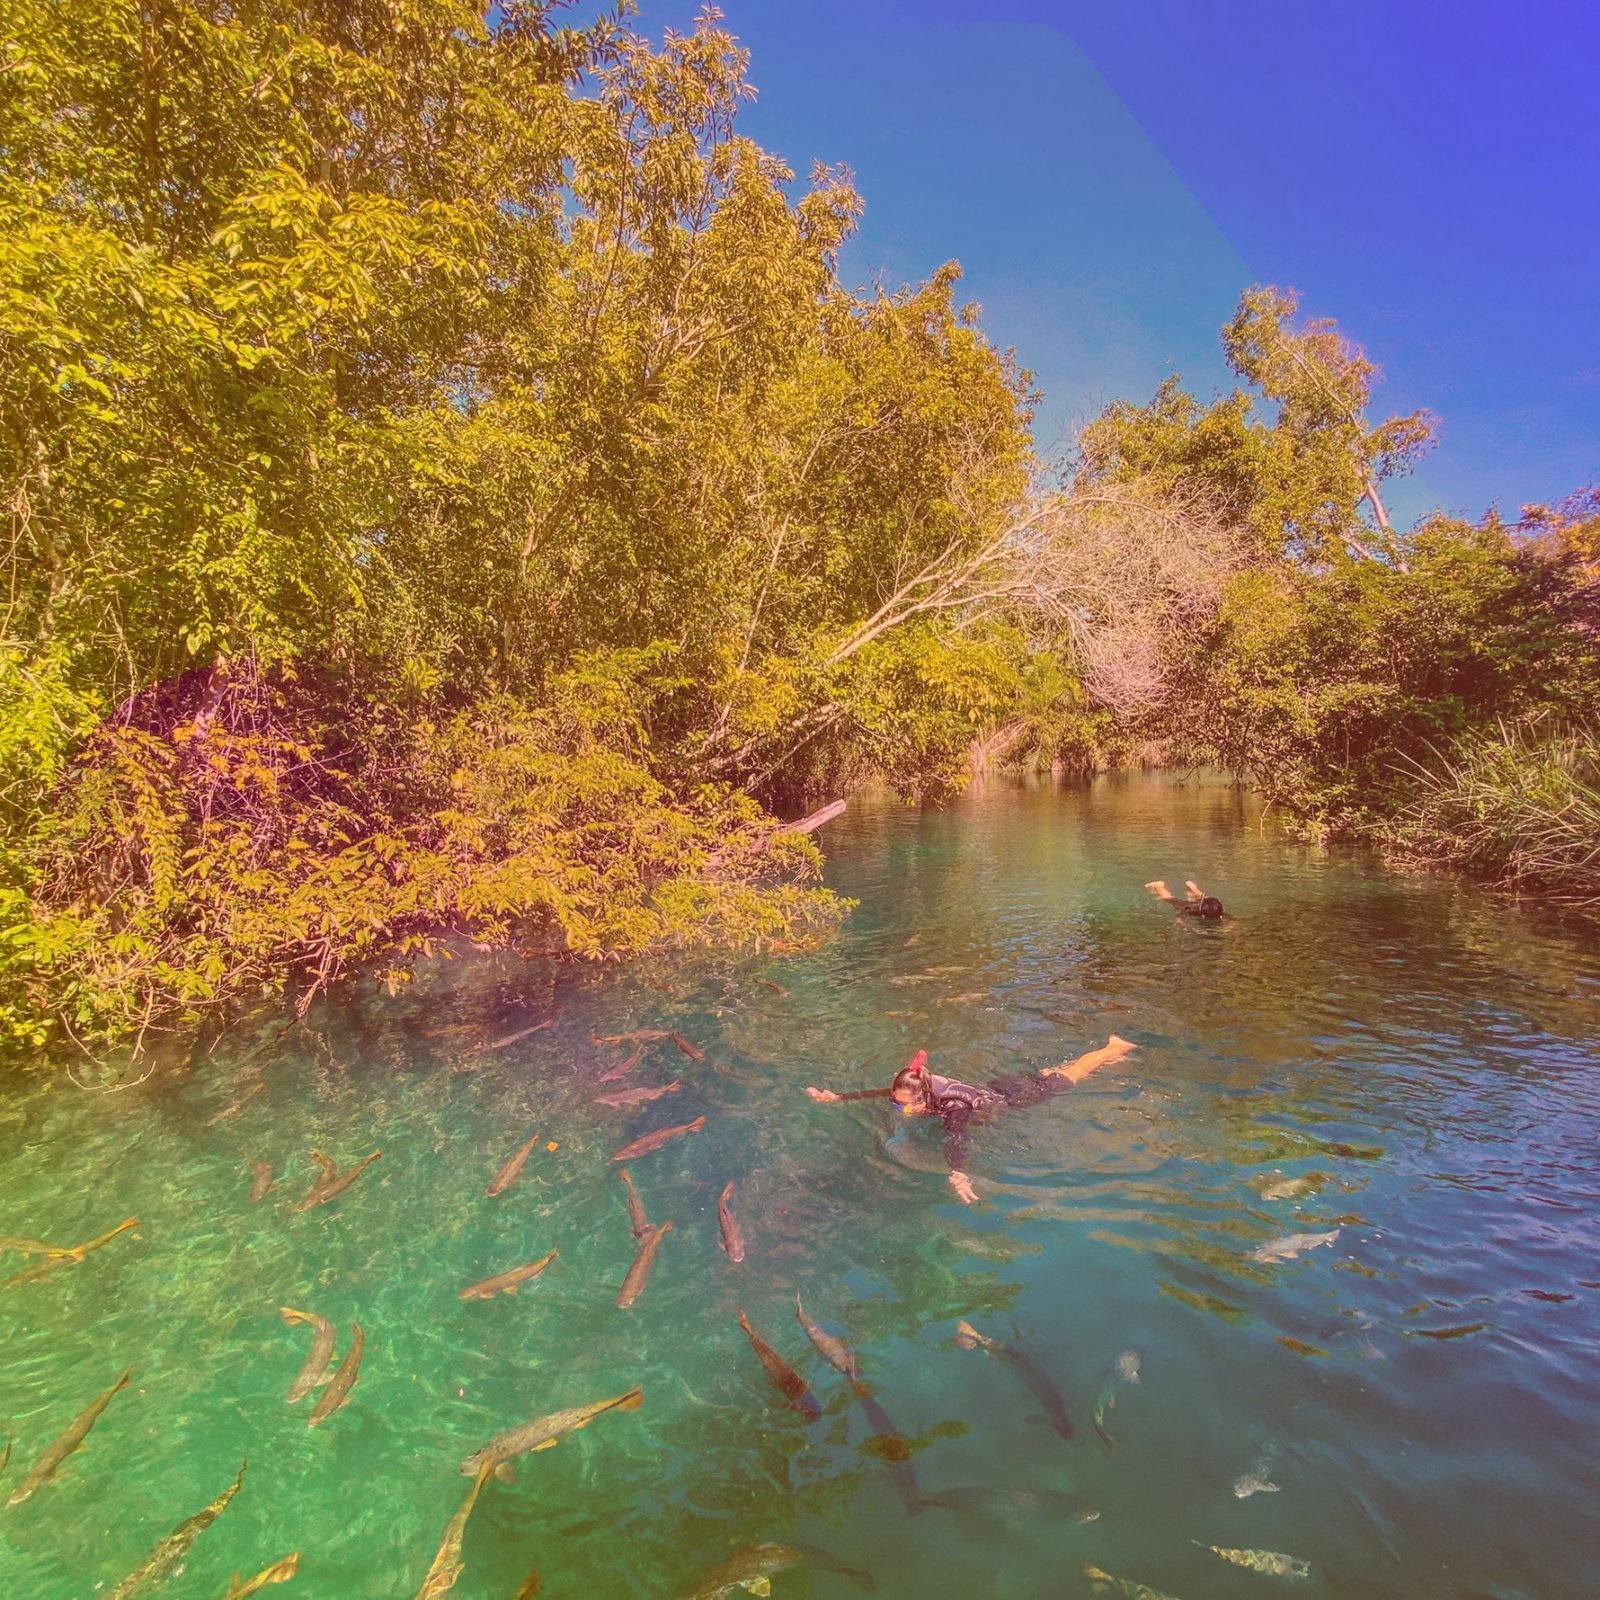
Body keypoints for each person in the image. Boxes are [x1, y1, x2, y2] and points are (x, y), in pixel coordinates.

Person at [804, 1038, 1136, 1205]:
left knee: (1075, 1074)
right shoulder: (914, 1084)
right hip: (1000, 1086)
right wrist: (837, 1097)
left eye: (905, 1106)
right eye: (897, 1102)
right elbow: (882, 1092)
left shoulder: (953, 1107)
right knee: (1054, 1073)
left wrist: (959, 1174)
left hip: (1014, 1098)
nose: (898, 1108)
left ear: (923, 1098)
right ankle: (1109, 1054)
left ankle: (1113, 1047)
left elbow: (956, 1139)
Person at [1145, 878, 1224, 919]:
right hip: (1195, 904)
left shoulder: (1213, 910)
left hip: (1204, 902)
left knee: (1203, 899)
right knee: (1167, 898)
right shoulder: (1189, 910)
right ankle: (1158, 886)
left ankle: (1195, 890)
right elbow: (1179, 918)